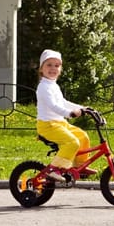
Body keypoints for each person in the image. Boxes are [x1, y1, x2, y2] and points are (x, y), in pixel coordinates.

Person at [36, 49, 94, 182]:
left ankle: (80, 166)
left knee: (83, 136)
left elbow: (63, 102)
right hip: (48, 126)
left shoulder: (54, 85)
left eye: (57, 65)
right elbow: (53, 106)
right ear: (41, 69)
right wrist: (69, 113)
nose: (53, 68)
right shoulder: (43, 87)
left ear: (60, 69)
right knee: (72, 142)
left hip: (60, 124)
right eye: (49, 65)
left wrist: (82, 108)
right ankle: (54, 169)